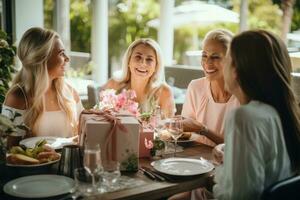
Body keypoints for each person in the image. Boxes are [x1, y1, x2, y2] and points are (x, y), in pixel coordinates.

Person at [213, 30, 300, 199]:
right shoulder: (280, 112)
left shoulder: (244, 117)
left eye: (227, 60)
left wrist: (219, 177)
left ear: (236, 70)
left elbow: (240, 196)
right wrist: (231, 153)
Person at [1, 27, 83, 138]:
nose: (67, 58)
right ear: (42, 58)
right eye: (61, 53)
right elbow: (9, 150)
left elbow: (84, 135)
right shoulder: (17, 97)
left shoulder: (70, 92)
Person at [182, 29, 239, 147]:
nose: (207, 62)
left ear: (231, 60)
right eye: (204, 55)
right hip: (198, 160)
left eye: (215, 57)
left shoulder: (243, 95)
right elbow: (187, 133)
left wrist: (203, 129)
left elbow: (239, 149)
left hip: (230, 163)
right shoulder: (195, 87)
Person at [102, 38, 175, 117]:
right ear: (128, 61)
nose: (143, 63)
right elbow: (100, 119)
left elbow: (170, 126)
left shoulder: (164, 92)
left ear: (156, 66)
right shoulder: (113, 85)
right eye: (138, 57)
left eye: (149, 59)